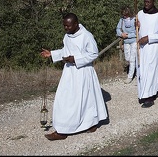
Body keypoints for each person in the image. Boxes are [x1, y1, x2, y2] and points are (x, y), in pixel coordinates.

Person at [40, 13, 108, 141]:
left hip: (83, 72)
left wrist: (76, 59)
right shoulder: (67, 36)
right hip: (70, 73)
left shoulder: (86, 36)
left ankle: (90, 123)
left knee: (85, 100)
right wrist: (52, 54)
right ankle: (62, 129)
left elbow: (94, 54)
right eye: (64, 26)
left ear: (76, 24)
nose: (66, 28)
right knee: (65, 100)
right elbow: (66, 51)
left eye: (68, 26)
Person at [136, 0, 158, 108]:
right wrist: (137, 26)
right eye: (145, 2)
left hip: (152, 47)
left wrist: (149, 38)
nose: (146, 4)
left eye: (149, 2)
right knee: (143, 72)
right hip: (141, 48)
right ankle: (154, 89)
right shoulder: (139, 14)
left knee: (150, 71)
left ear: (153, 2)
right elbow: (138, 29)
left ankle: (149, 97)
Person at [116, 6, 138, 84]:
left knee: (132, 59)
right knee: (127, 58)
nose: (124, 16)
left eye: (126, 15)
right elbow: (118, 29)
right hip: (126, 42)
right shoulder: (121, 20)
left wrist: (128, 35)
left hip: (134, 41)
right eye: (123, 15)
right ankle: (137, 71)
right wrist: (121, 34)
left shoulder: (135, 19)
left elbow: (137, 31)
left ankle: (130, 77)